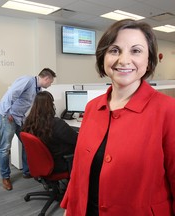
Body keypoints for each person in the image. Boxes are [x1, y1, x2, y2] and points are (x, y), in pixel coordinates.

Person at [61, 19, 175, 216]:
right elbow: (80, 171)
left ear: (149, 60)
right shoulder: (92, 108)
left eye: (136, 51)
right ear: (103, 57)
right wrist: (70, 208)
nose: (123, 60)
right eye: (114, 50)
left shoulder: (168, 110)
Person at [0, 68, 56, 191]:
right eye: (51, 82)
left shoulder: (38, 88)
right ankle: (5, 177)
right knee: (5, 148)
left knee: (27, 142)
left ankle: (27, 171)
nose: (51, 84)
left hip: (19, 117)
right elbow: (11, 93)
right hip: (8, 115)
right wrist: (7, 112)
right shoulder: (28, 80)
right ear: (46, 78)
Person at [22, 91, 78, 173]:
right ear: (51, 106)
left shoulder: (29, 121)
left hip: (43, 161)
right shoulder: (56, 123)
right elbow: (76, 140)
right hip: (60, 162)